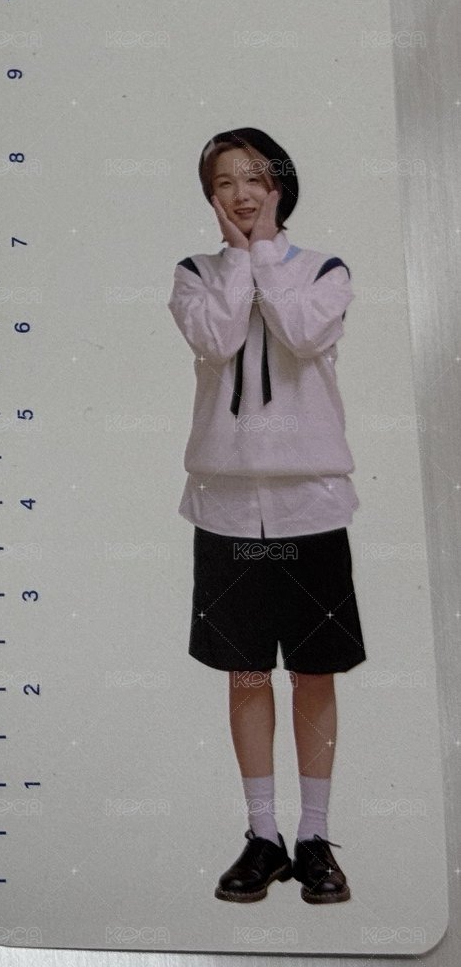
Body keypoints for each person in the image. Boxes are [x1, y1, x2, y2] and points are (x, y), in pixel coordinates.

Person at [167, 127, 367, 905]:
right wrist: (238, 261)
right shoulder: (194, 275)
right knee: (246, 670)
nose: (241, 193)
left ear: (279, 184)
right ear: (209, 197)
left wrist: (262, 257)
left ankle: (313, 838)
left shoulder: (322, 270)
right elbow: (218, 340)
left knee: (313, 670)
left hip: (308, 503)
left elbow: (301, 332)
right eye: (224, 183)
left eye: (253, 177)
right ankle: (261, 835)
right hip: (225, 507)